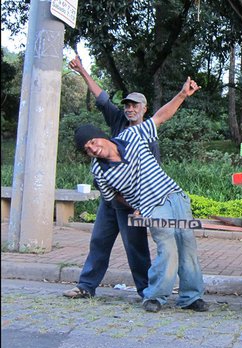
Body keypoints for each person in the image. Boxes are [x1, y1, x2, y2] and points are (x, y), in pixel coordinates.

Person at [74, 76, 207, 313]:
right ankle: (154, 296)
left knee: (187, 243)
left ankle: (190, 297)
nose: (93, 149)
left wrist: (183, 94)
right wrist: (137, 205)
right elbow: (112, 198)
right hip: (152, 206)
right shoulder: (99, 171)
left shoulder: (132, 136)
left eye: (93, 142)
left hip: (174, 195)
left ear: (102, 136)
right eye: (88, 150)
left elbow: (161, 117)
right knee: (167, 246)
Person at [63, 56, 158, 299]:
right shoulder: (117, 120)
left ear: (144, 109)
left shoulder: (149, 136)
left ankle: (146, 291)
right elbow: (101, 96)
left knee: (136, 248)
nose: (130, 109)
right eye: (127, 105)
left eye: (135, 105)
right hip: (109, 200)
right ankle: (86, 286)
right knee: (99, 241)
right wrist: (82, 70)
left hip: (131, 203)